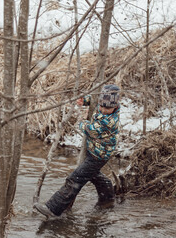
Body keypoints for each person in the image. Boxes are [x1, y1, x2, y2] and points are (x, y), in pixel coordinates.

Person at [34, 84, 120, 218]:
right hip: (94, 151)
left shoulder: (110, 121)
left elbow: (91, 129)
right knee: (92, 175)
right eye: (101, 106)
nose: (103, 110)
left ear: (115, 107)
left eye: (107, 108)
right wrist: (85, 100)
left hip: (99, 155)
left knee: (75, 179)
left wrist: (81, 122)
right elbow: (95, 99)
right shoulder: (103, 104)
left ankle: (53, 209)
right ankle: (107, 198)